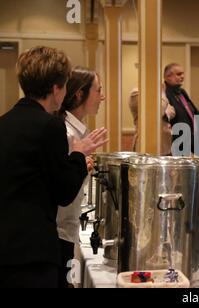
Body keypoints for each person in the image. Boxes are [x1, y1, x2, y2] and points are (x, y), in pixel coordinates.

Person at [0, 46, 108, 288]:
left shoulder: (4, 122)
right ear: (56, 89)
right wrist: (79, 155)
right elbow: (64, 191)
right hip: (33, 250)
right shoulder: (50, 126)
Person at [56, 67, 105, 288]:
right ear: (79, 94)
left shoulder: (78, 131)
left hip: (70, 230)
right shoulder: (66, 133)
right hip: (60, 234)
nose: (102, 96)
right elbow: (62, 188)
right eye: (98, 90)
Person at [163, 63, 199, 155]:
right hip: (174, 145)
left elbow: (195, 113)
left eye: (182, 74)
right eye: (179, 74)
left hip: (188, 141)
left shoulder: (182, 92)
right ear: (168, 77)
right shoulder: (164, 94)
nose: (182, 76)